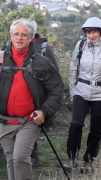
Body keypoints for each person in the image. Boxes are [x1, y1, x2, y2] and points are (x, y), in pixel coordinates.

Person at [0, 19, 64, 180]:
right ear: (11, 36)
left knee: (20, 157)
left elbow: (57, 89)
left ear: (31, 38)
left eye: (24, 35)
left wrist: (44, 112)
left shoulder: (41, 62)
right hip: (4, 120)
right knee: (11, 159)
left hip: (30, 120)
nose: (19, 38)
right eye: (16, 34)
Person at [65, 17, 101, 173]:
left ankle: (88, 161)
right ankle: (71, 159)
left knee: (96, 129)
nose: (91, 35)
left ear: (100, 32)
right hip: (81, 90)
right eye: (88, 32)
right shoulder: (81, 45)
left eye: (94, 31)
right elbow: (73, 68)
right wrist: (73, 92)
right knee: (76, 124)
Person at [30, 32, 59, 169]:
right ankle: (28, 156)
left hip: (41, 92)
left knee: (34, 121)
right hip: (23, 91)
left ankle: (33, 156)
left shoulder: (44, 48)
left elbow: (55, 72)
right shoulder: (10, 46)